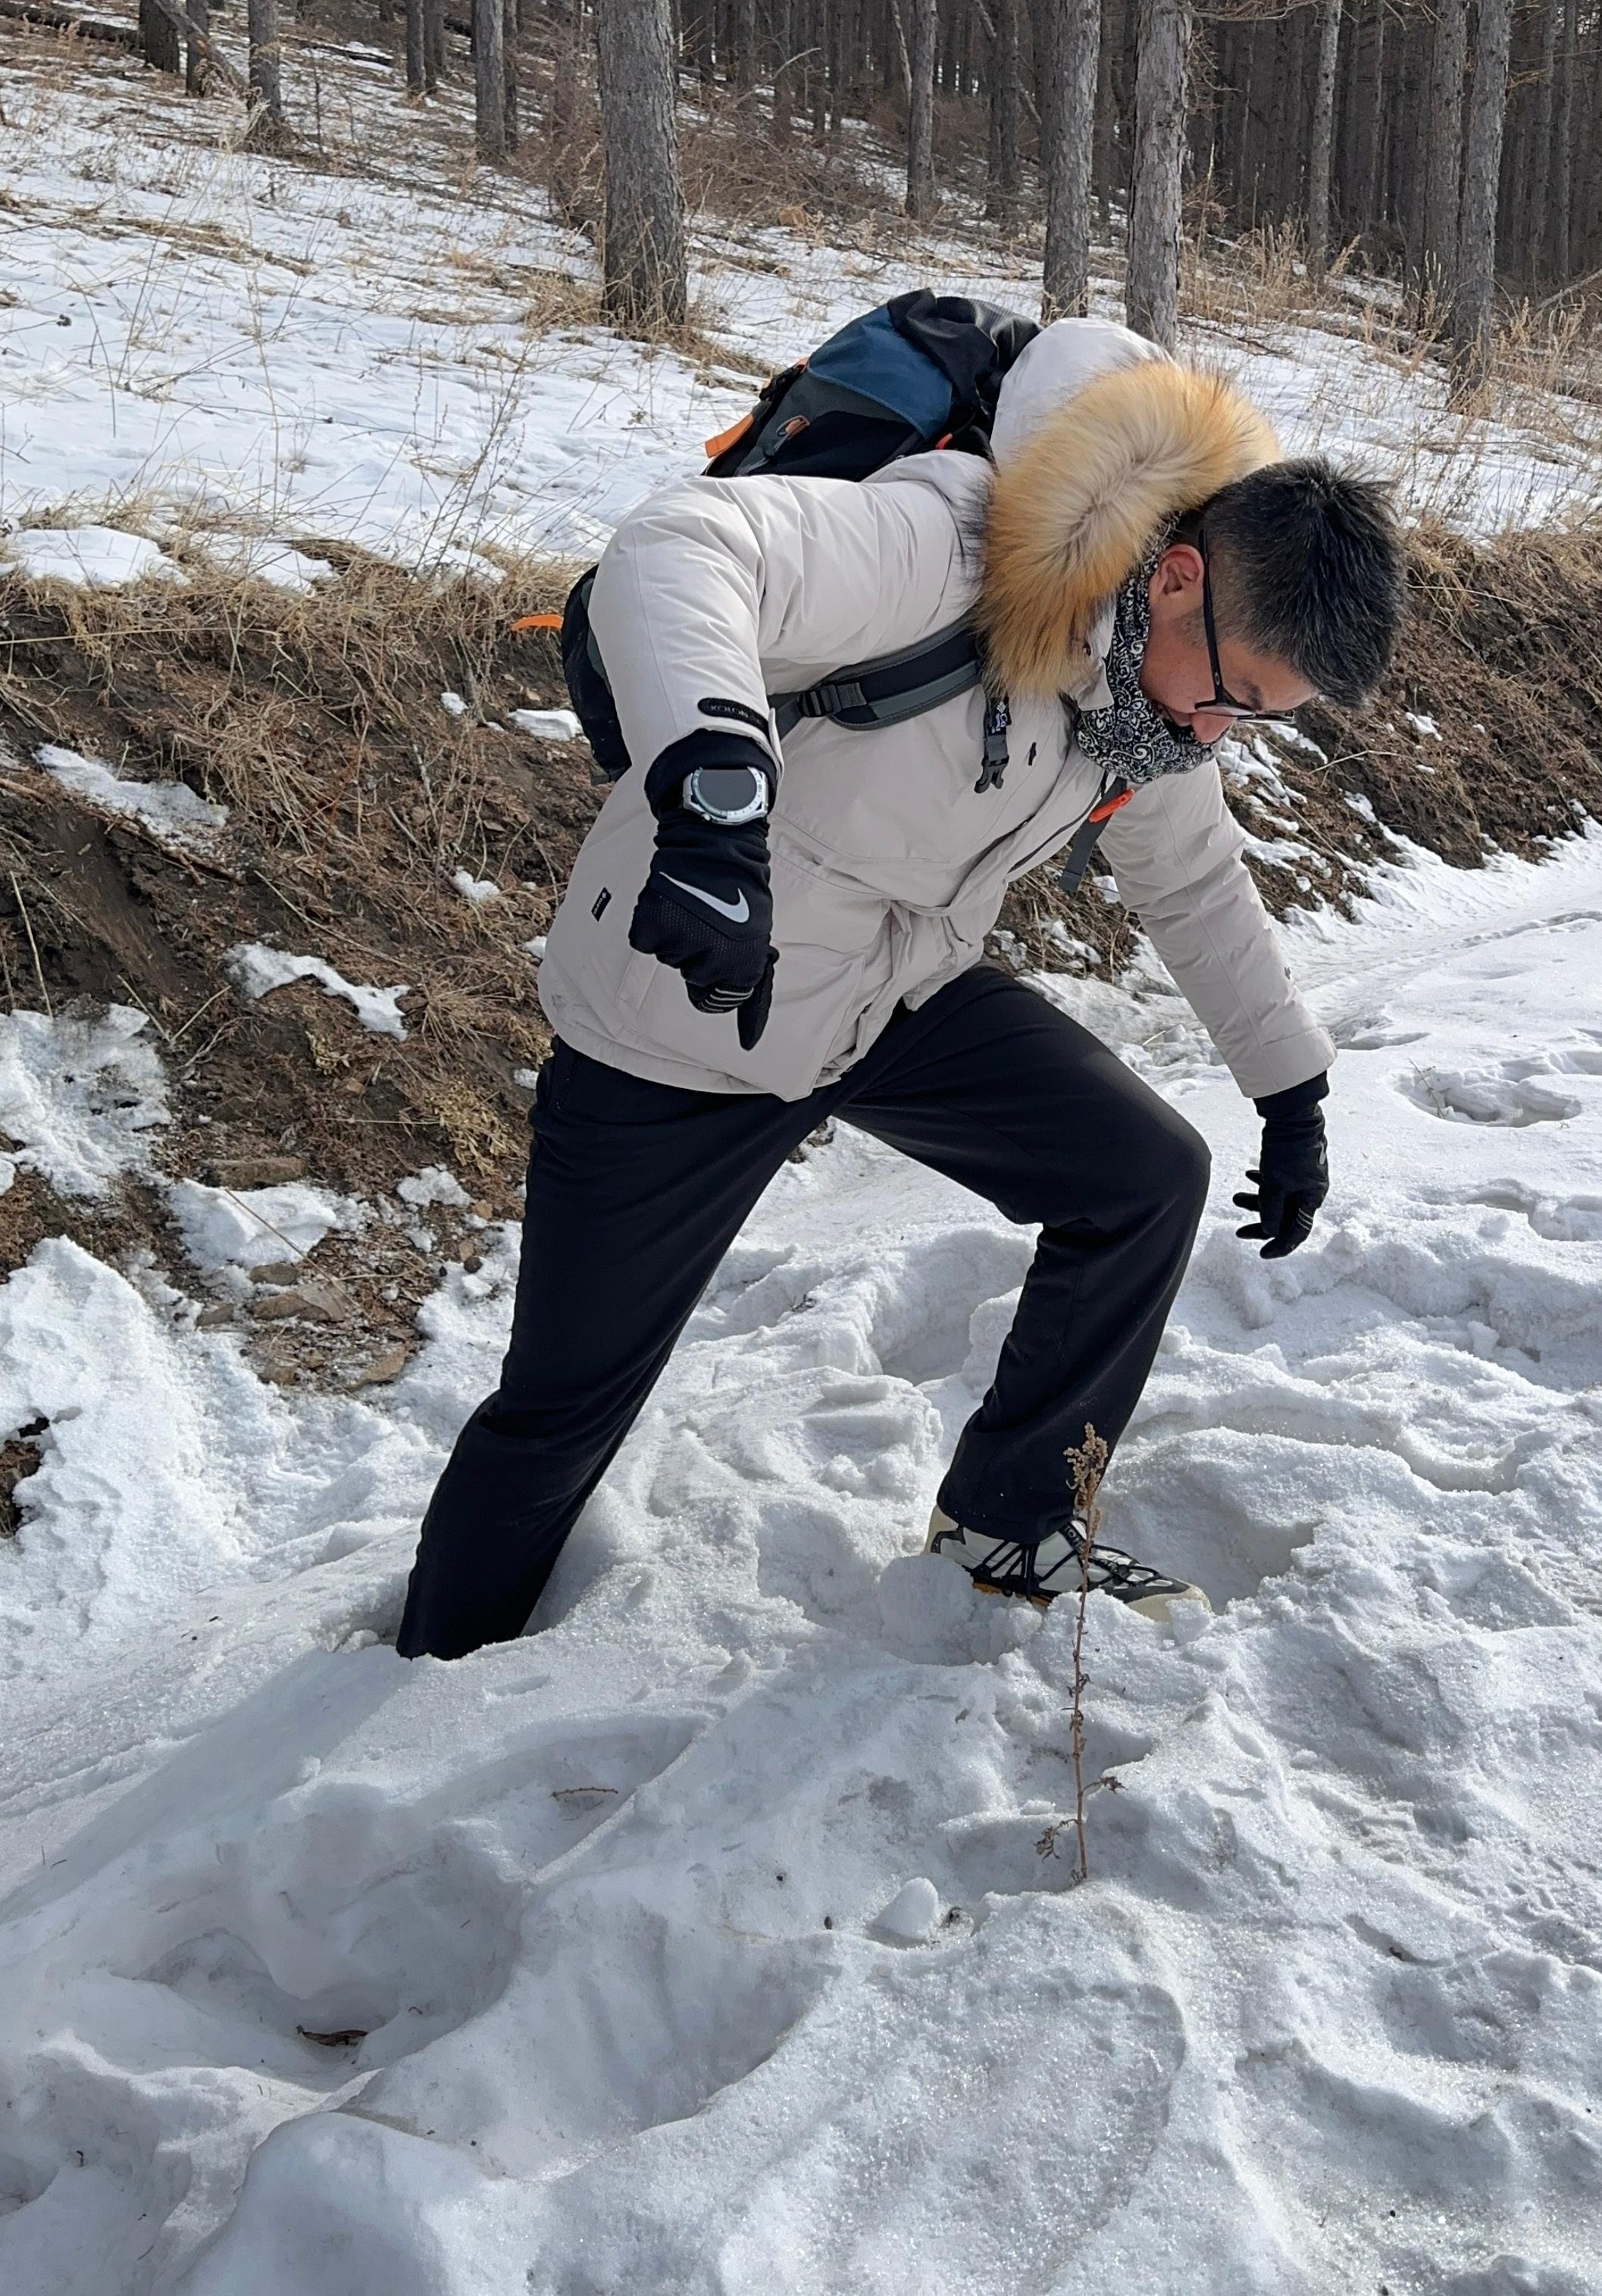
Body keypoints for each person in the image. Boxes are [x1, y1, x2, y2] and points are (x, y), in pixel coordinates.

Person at [398, 316, 1405, 1659]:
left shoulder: (1142, 707)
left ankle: (1011, 1523)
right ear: (1174, 578)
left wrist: (1290, 1087)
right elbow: (684, 551)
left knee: (1139, 1178)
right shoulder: (949, 545)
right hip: (689, 999)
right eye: (1242, 698)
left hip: (889, 998)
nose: (1226, 733)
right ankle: (425, 1681)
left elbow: (1195, 879)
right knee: (562, 1409)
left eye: (1260, 721)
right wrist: (711, 797)